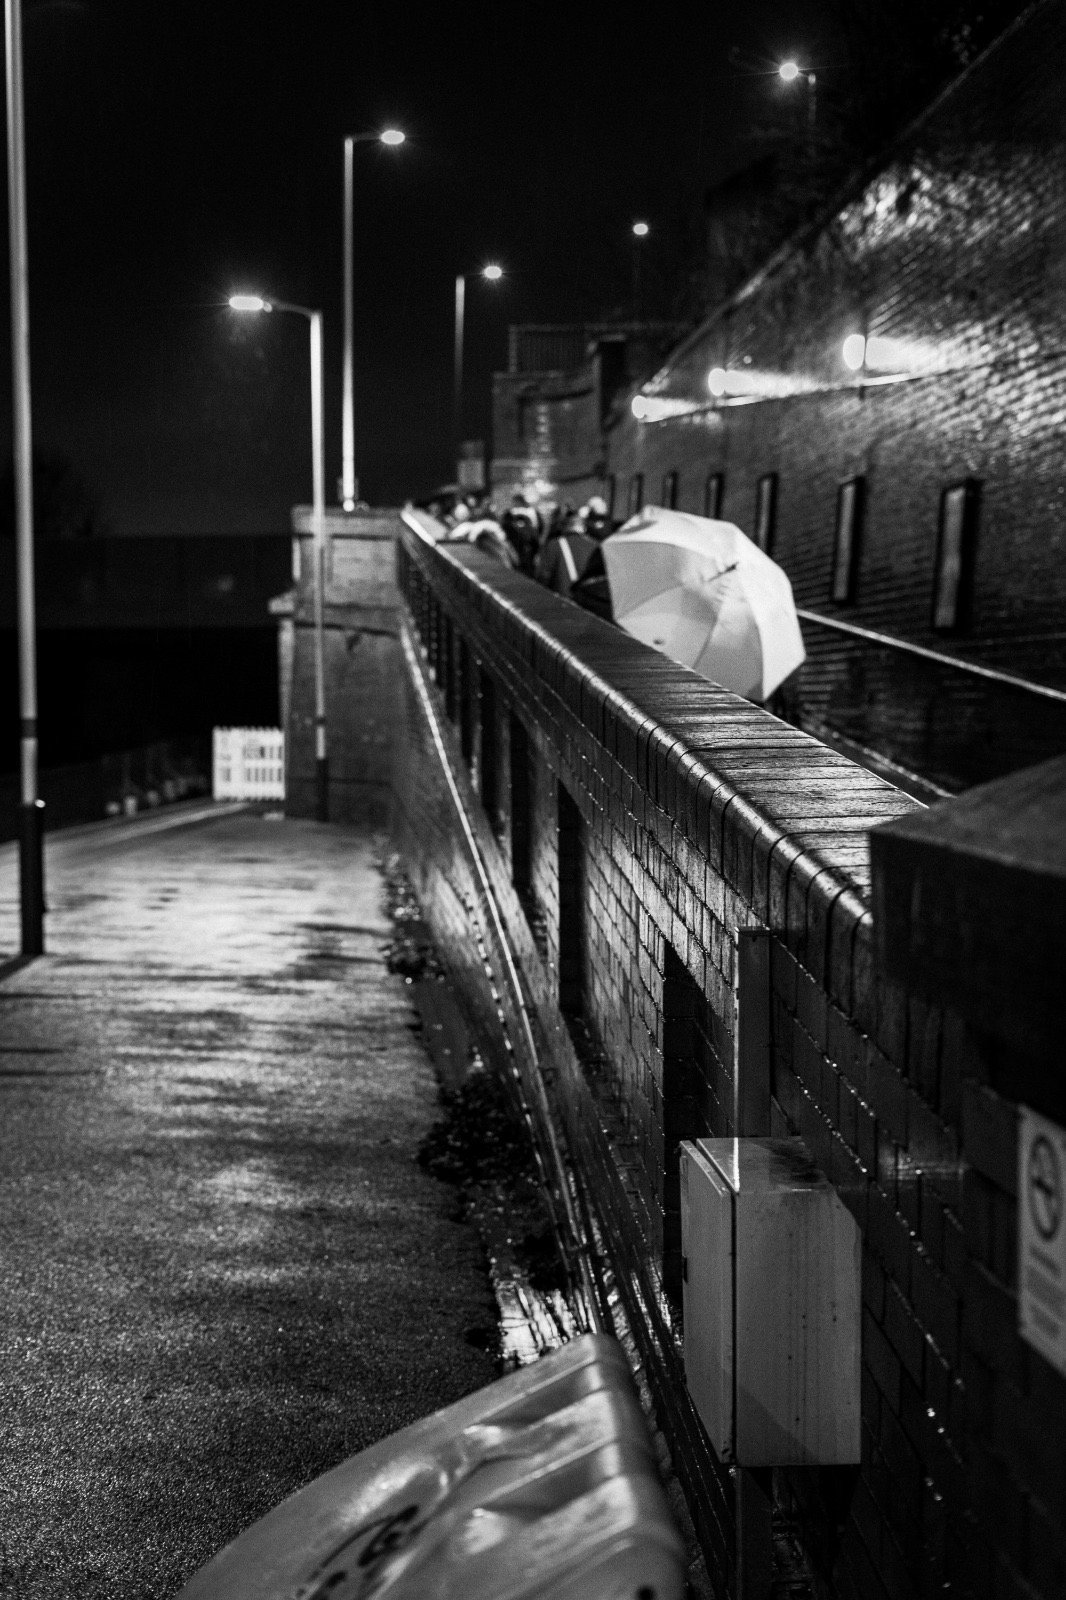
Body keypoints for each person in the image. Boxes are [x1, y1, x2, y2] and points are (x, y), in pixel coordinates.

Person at [534, 509, 597, 599]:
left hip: (562, 601)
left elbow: (543, 576)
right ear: (584, 528)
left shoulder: (555, 545)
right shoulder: (595, 545)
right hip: (588, 603)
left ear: (565, 527)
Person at [501, 491, 541, 575]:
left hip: (517, 549)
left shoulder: (508, 514)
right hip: (531, 548)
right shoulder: (534, 512)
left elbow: (504, 530)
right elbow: (539, 530)